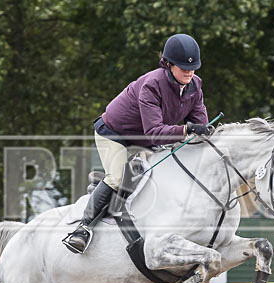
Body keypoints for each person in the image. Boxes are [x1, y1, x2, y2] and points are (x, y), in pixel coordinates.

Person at [63, 33, 211, 254]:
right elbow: (154, 133)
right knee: (118, 178)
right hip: (114, 134)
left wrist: (205, 133)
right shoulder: (152, 84)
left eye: (193, 68)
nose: (189, 72)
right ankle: (82, 229)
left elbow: (200, 123)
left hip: (144, 139)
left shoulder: (194, 85)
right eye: (183, 67)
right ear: (169, 65)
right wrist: (185, 130)